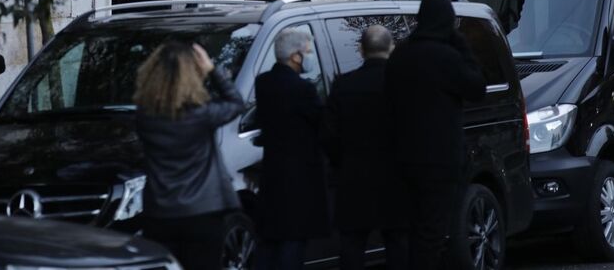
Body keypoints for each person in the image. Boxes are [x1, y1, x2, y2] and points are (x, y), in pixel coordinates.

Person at [384, 0, 486, 270]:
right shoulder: (447, 57)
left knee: (409, 229)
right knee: (434, 231)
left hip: (402, 157)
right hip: (440, 160)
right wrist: (460, 43)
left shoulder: (401, 55)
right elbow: (476, 87)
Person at [133, 41, 244, 270]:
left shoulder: (144, 118)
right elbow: (235, 103)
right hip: (203, 211)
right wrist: (213, 71)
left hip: (160, 212)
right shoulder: (202, 115)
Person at [325, 25, 408, 270]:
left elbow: (329, 135)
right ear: (391, 48)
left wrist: (341, 162)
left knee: (352, 244)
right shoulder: (403, 85)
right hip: (396, 178)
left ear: (361, 50)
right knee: (398, 244)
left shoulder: (344, 85)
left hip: (353, 178)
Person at [253, 28, 329, 269]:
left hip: (271, 172)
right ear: (296, 56)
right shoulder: (303, 90)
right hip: (300, 177)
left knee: (270, 240)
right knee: (292, 244)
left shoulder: (263, 83)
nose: (309, 55)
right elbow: (322, 124)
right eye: (307, 51)